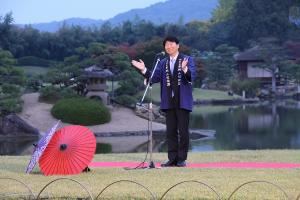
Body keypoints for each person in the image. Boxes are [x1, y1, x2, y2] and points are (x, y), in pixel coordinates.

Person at [131, 36, 196, 167]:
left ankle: (181, 159)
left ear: (178, 46)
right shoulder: (162, 63)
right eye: (166, 45)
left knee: (183, 132)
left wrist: (184, 69)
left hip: (183, 101)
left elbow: (192, 76)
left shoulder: (188, 59)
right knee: (170, 131)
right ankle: (172, 158)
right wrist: (143, 69)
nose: (169, 47)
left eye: (172, 44)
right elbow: (154, 78)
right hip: (169, 101)